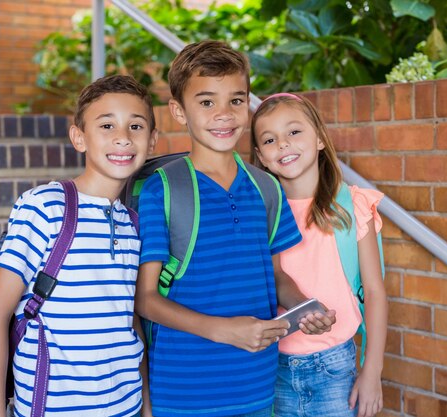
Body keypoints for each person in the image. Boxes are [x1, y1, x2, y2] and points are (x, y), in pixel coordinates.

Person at [134, 40, 336, 417]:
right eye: (207, 102)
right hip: (183, 393)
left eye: (236, 100)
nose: (224, 114)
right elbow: (145, 299)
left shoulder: (267, 187)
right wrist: (224, 330)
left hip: (257, 387)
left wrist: (306, 307)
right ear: (179, 111)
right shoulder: (162, 189)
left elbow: (275, 276)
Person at [0, 74, 158, 417]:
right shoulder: (45, 206)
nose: (122, 138)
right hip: (54, 408)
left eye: (136, 126)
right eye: (106, 125)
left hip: (125, 406)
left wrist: (145, 407)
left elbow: (129, 321)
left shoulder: (132, 222)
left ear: (152, 142)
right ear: (79, 137)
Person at [251, 92, 388, 417]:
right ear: (261, 156)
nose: (283, 144)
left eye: (294, 132)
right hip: (272, 366)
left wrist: (372, 372)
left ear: (320, 139)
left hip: (334, 366)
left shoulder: (350, 206)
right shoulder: (261, 212)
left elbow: (375, 292)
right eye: (270, 139)